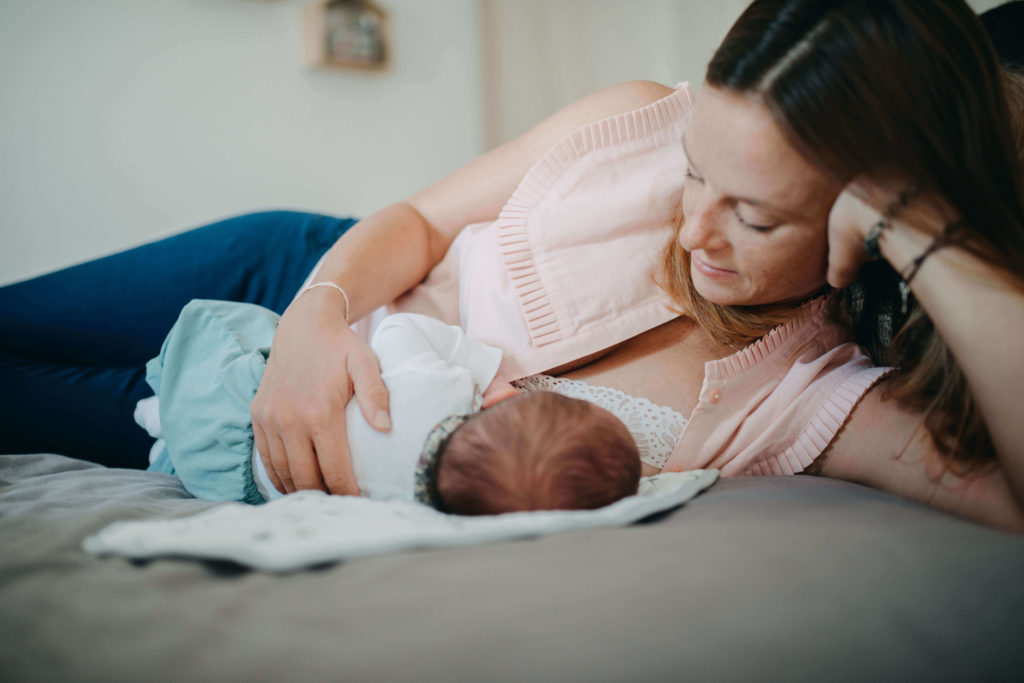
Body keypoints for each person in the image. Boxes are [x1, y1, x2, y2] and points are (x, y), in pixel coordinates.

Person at [2, 0, 1023, 531]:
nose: (694, 228)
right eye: (692, 170)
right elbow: (412, 216)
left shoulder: (819, 398)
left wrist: (925, 230)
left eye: (753, 216)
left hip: (231, 439)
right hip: (293, 269)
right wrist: (315, 318)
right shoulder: (631, 115)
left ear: (867, 223)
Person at [139, 301, 640, 514]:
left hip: (240, 410)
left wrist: (480, 365)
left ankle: (160, 410)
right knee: (179, 449)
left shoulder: (438, 390)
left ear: (505, 401)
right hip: (229, 482)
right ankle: (164, 436)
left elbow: (398, 328)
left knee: (246, 334)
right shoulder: (412, 509)